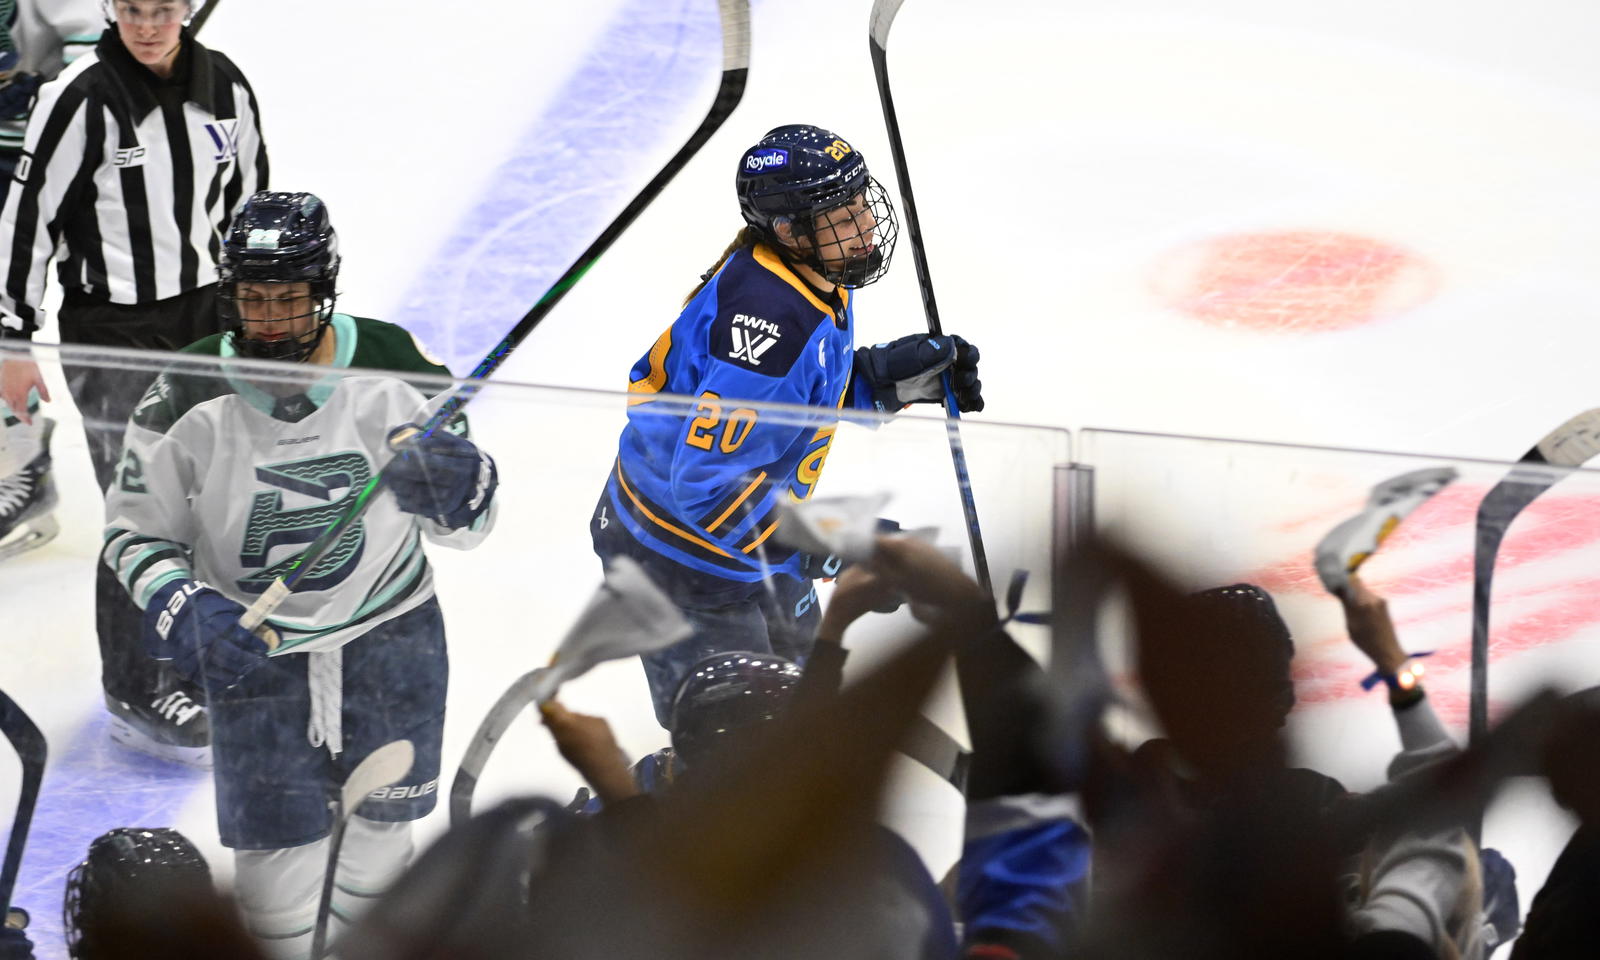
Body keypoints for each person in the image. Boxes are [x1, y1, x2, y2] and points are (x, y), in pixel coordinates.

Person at [101, 191, 498, 956]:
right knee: (275, 878)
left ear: (325, 292)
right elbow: (132, 534)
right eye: (255, 300)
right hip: (254, 650)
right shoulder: (184, 389)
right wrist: (184, 606)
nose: (272, 320)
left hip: (393, 636)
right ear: (230, 296)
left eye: (290, 299)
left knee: (382, 855)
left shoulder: (395, 366)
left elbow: (471, 526)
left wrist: (457, 486)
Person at [591, 122, 984, 725]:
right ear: (788, 230)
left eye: (860, 205)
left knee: (806, 714)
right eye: (842, 216)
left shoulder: (814, 274)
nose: (865, 227)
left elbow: (792, 398)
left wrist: (884, 380)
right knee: (736, 761)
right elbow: (707, 490)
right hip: (679, 563)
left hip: (747, 546)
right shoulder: (769, 325)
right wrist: (841, 541)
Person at [0, 0, 267, 762]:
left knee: (212, 498)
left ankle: (194, 654)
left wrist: (259, 325)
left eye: (162, 10)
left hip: (206, 321)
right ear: (113, 10)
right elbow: (26, 222)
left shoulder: (228, 91)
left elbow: (248, 211)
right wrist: (11, 338)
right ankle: (136, 686)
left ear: (185, 10)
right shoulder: (78, 101)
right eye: (132, 9)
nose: (147, 26)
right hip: (112, 331)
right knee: (141, 507)